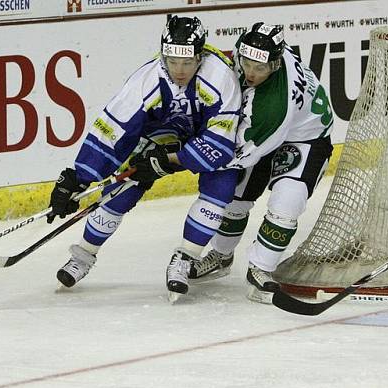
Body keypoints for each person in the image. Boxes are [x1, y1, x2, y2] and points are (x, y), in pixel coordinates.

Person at [46, 16, 242, 302]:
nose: (179, 70)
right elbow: (113, 129)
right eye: (172, 61)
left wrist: (173, 160)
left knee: (221, 188)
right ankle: (83, 256)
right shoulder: (147, 79)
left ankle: (185, 258)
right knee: (119, 193)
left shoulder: (220, 77)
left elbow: (221, 138)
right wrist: (79, 177)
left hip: (207, 142)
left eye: (188, 63)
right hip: (157, 138)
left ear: (200, 56)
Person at [191, 22, 334, 304]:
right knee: (236, 198)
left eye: (261, 68)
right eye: (246, 63)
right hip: (268, 130)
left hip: (307, 137)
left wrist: (186, 158)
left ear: (276, 64)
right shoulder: (258, 50)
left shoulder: (273, 108)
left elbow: (240, 154)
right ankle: (220, 256)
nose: (251, 73)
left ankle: (261, 268)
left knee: (287, 201)